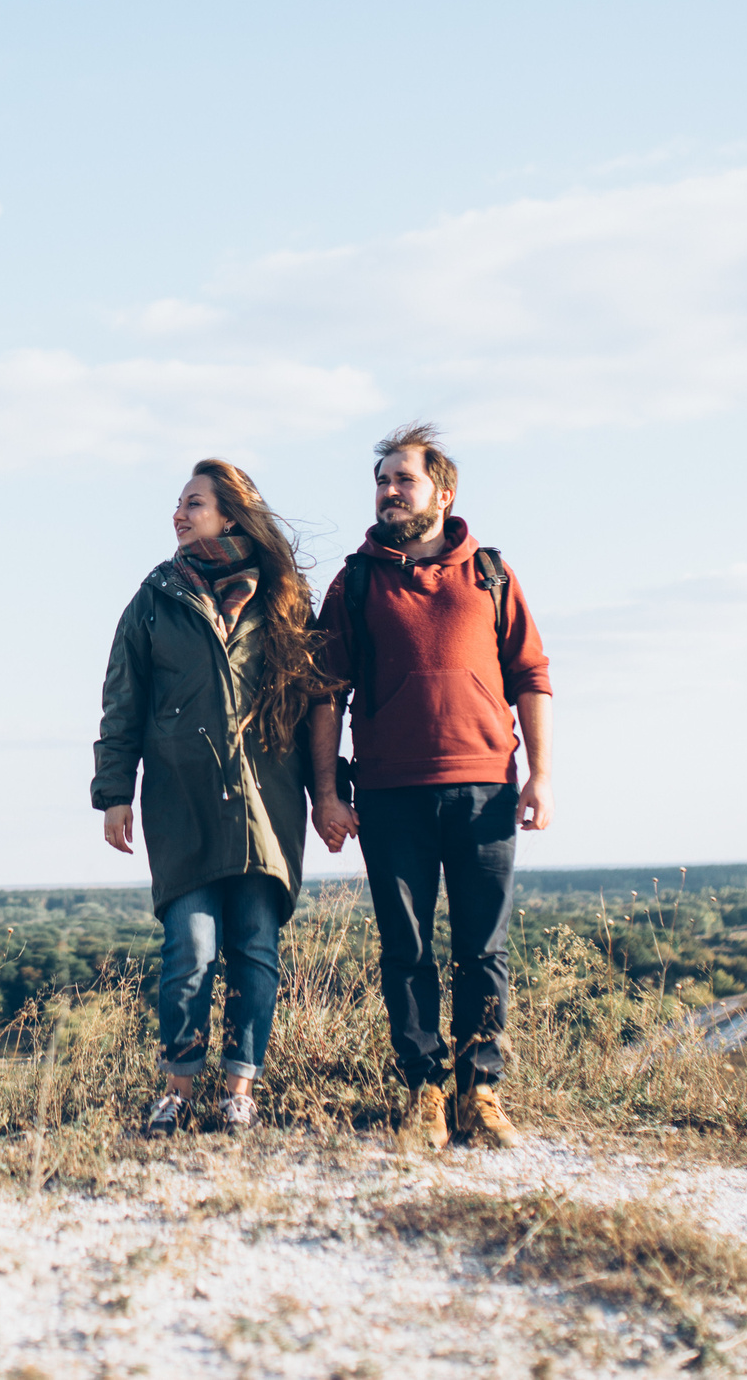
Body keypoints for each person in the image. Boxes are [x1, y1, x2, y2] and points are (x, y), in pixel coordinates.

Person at [310, 421, 553, 1150]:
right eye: (381, 480)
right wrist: (326, 792)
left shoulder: (491, 573)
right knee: (405, 948)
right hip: (389, 793)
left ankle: (480, 1091)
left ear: (442, 492)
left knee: (484, 948)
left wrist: (541, 772)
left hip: (484, 786)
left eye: (402, 479)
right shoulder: (354, 582)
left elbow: (531, 676)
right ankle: (423, 1090)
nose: (388, 491)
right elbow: (325, 694)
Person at [92, 459, 337, 1137]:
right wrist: (116, 793)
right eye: (178, 503)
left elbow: (320, 697)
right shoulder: (154, 599)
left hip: (267, 803)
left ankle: (239, 1092)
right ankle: (175, 1091)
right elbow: (122, 703)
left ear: (230, 514)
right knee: (191, 948)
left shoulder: (285, 598)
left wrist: (327, 790)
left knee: (256, 948)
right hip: (182, 804)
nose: (179, 513)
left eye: (193, 502)